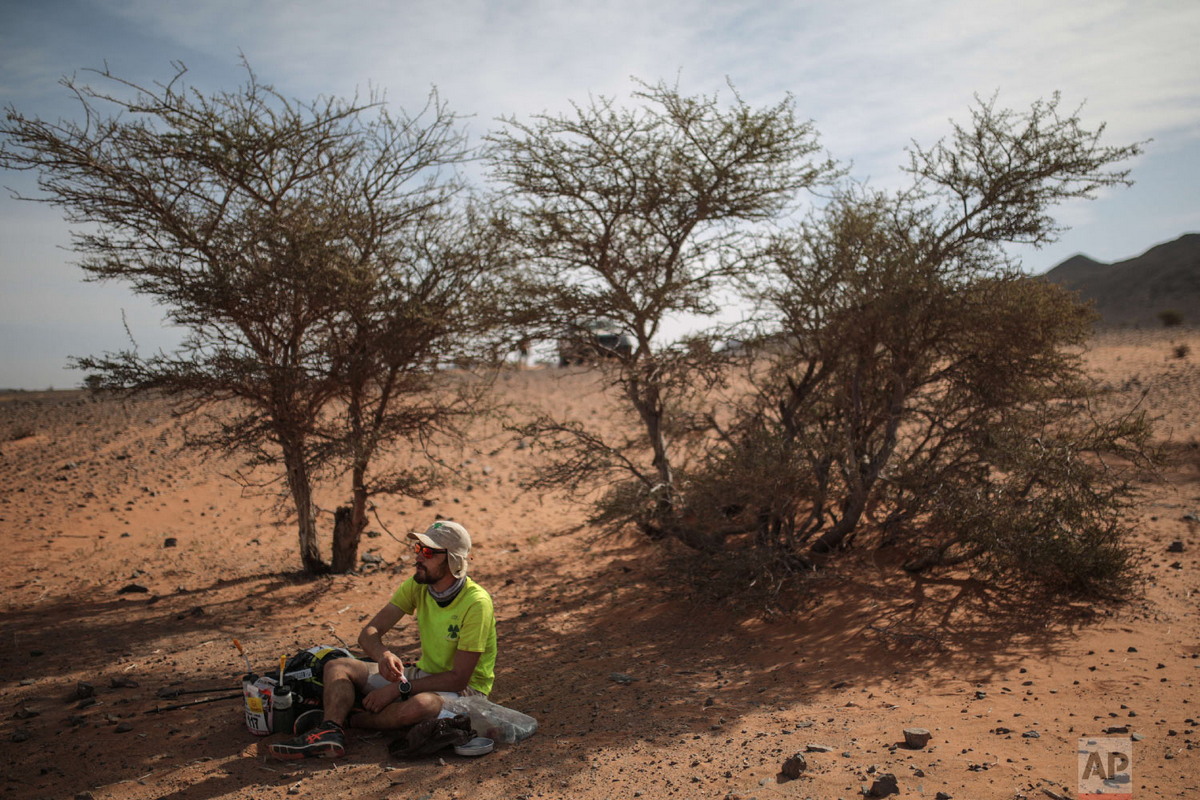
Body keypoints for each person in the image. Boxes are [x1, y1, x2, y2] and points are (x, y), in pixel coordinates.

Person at [269, 520, 497, 759]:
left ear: (453, 560)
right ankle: (329, 730)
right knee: (338, 666)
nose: (418, 558)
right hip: (422, 676)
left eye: (428, 552)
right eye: (418, 549)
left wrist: (397, 689)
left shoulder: (476, 603)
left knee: (420, 706)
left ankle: (349, 718)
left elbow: (458, 679)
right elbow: (369, 633)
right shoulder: (418, 586)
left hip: (466, 692)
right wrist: (383, 655)